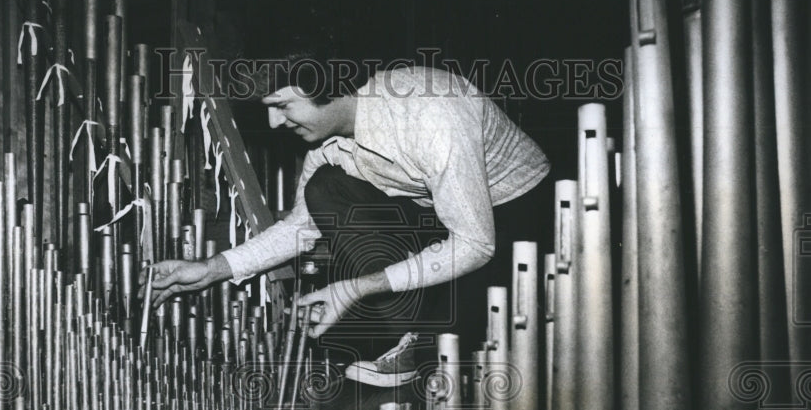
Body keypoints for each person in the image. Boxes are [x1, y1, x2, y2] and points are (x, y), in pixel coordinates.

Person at [149, 57, 550, 386]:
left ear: (329, 88)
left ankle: (425, 336)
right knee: (324, 188)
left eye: (282, 106)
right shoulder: (327, 146)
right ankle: (408, 324)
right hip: (433, 209)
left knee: (458, 350)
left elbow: (476, 243)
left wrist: (358, 287)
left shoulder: (432, 115)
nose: (274, 124)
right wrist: (212, 269)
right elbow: (300, 228)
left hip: (514, 210)